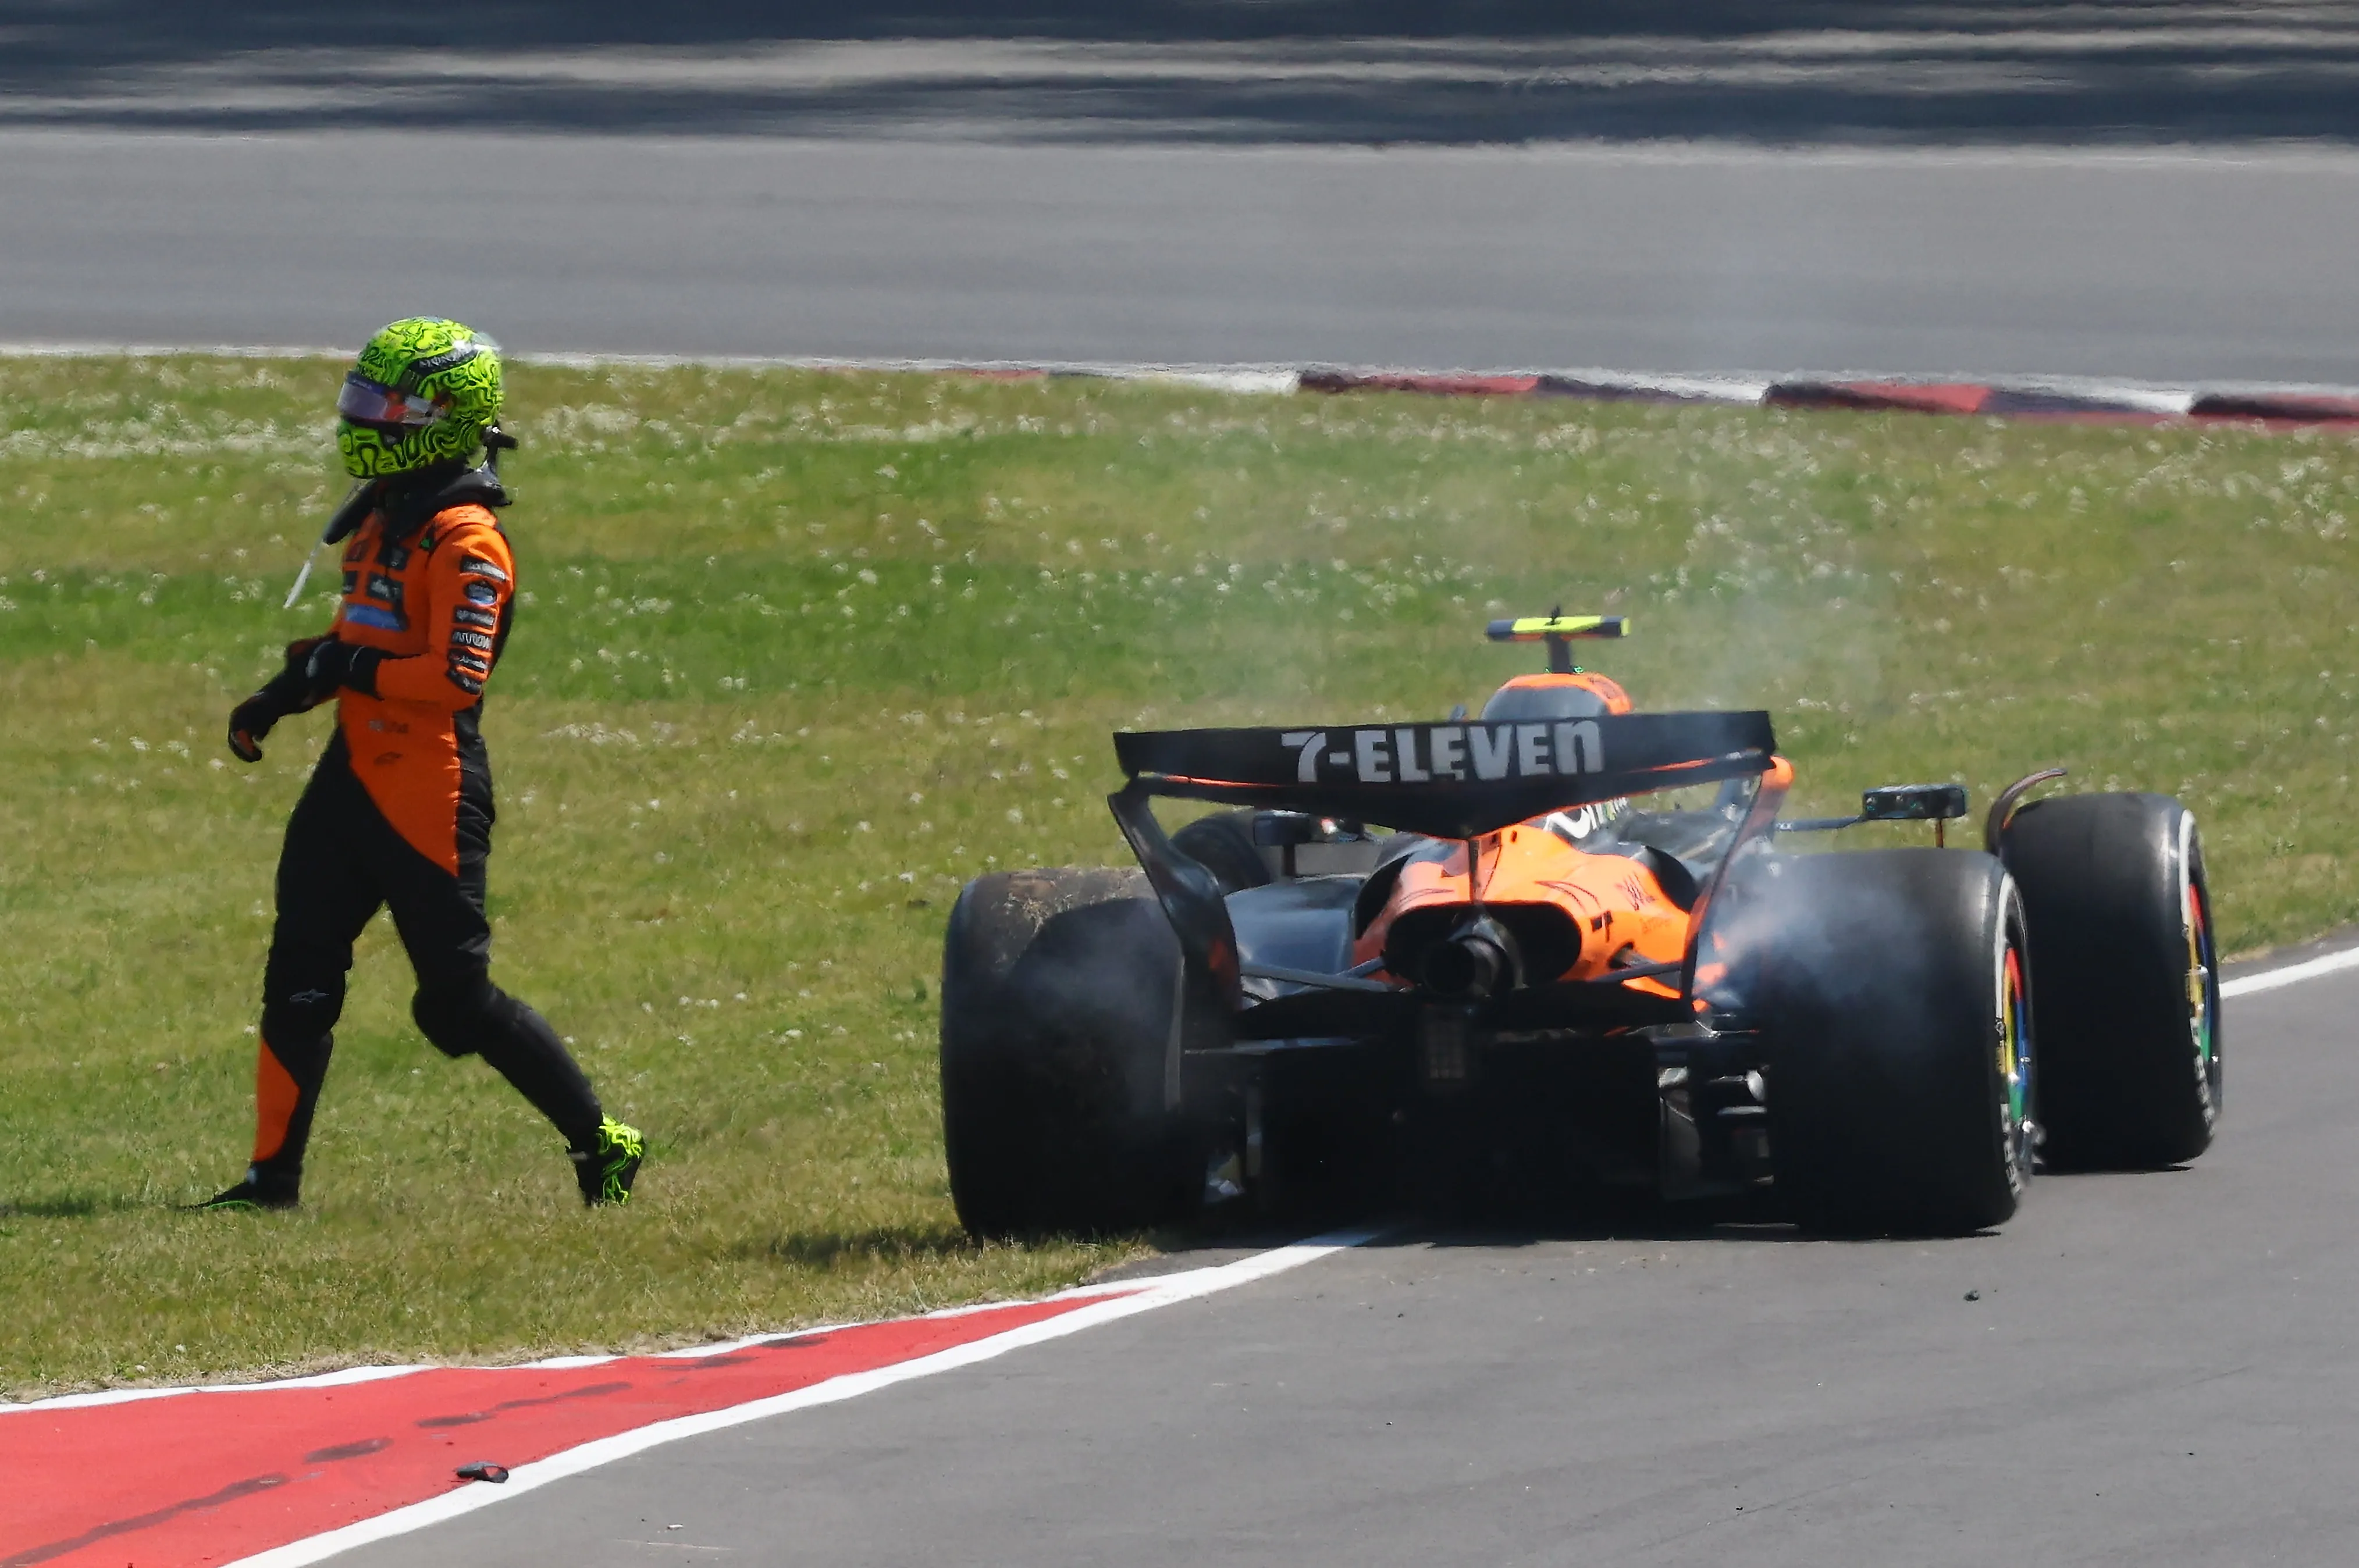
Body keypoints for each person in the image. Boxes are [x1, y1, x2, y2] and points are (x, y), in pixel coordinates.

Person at [199, 317, 643, 1210]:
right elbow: (352, 639)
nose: (362, 420)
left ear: (443, 415)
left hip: (428, 793)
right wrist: (280, 698)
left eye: (382, 406)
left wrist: (346, 668)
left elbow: (451, 677)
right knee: (299, 979)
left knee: (452, 1009)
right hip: (348, 783)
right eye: (360, 401)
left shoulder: (467, 541)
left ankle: (603, 1141)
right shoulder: (377, 523)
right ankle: (270, 1181)